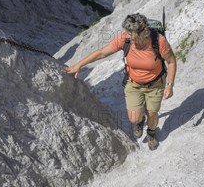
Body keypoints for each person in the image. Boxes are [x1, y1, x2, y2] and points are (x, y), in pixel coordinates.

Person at [65, 13, 177, 150]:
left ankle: (151, 133)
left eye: (130, 33)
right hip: (133, 84)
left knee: (152, 113)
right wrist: (79, 65)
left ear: (141, 33)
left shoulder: (158, 41)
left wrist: (170, 86)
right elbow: (102, 52)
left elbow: (171, 62)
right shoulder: (125, 39)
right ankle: (139, 122)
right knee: (134, 118)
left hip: (155, 85)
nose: (127, 35)